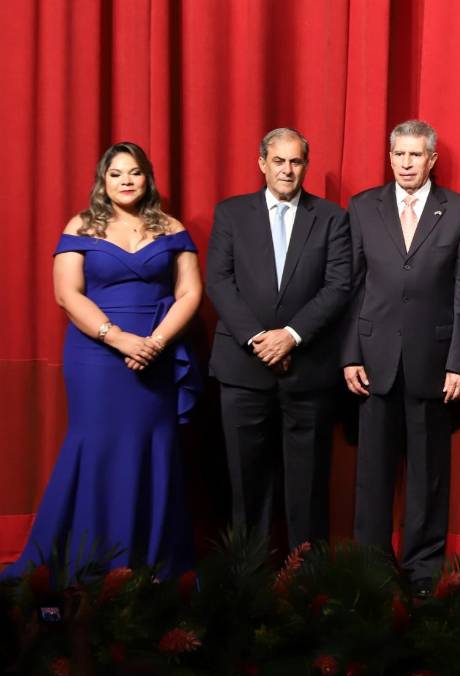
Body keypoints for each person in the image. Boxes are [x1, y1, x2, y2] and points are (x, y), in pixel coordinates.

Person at [2, 142, 200, 579]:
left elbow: (190, 292)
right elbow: (67, 294)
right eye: (116, 173)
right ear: (103, 181)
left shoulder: (171, 227)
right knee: (98, 447)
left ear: (147, 178)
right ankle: (91, 561)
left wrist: (156, 342)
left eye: (134, 172)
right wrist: (121, 338)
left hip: (157, 354)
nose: (126, 181)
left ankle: (151, 563)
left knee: (153, 447)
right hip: (96, 357)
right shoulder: (81, 226)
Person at [343, 120, 460, 597]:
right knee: (373, 475)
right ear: (390, 158)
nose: (406, 163)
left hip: (433, 362)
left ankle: (423, 572)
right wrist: (349, 354)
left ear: (431, 160)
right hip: (373, 359)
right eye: (399, 154)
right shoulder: (363, 207)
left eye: (415, 155)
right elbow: (352, 286)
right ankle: (371, 570)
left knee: (428, 476)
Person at [207, 128, 352, 548]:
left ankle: (306, 575)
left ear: (305, 166)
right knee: (245, 484)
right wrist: (258, 339)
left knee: (308, 488)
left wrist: (290, 336)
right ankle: (248, 574)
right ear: (262, 164)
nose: (287, 170)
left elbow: (339, 285)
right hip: (242, 369)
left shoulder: (332, 217)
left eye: (296, 162)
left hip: (307, 370)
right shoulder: (231, 213)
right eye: (279, 161)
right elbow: (219, 281)